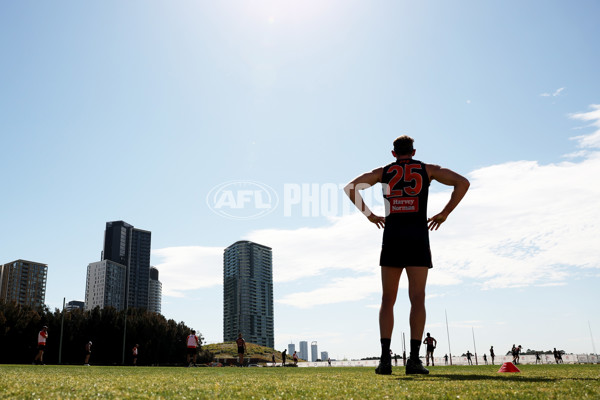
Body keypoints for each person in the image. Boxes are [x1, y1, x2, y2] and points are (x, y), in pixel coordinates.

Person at [345, 135, 470, 376]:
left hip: (392, 237)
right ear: (413, 151)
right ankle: (413, 360)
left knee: (387, 300)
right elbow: (462, 183)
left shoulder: (383, 171)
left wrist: (370, 216)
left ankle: (385, 361)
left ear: (393, 153)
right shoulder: (428, 169)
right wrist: (445, 213)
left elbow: (351, 187)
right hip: (417, 238)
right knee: (418, 299)